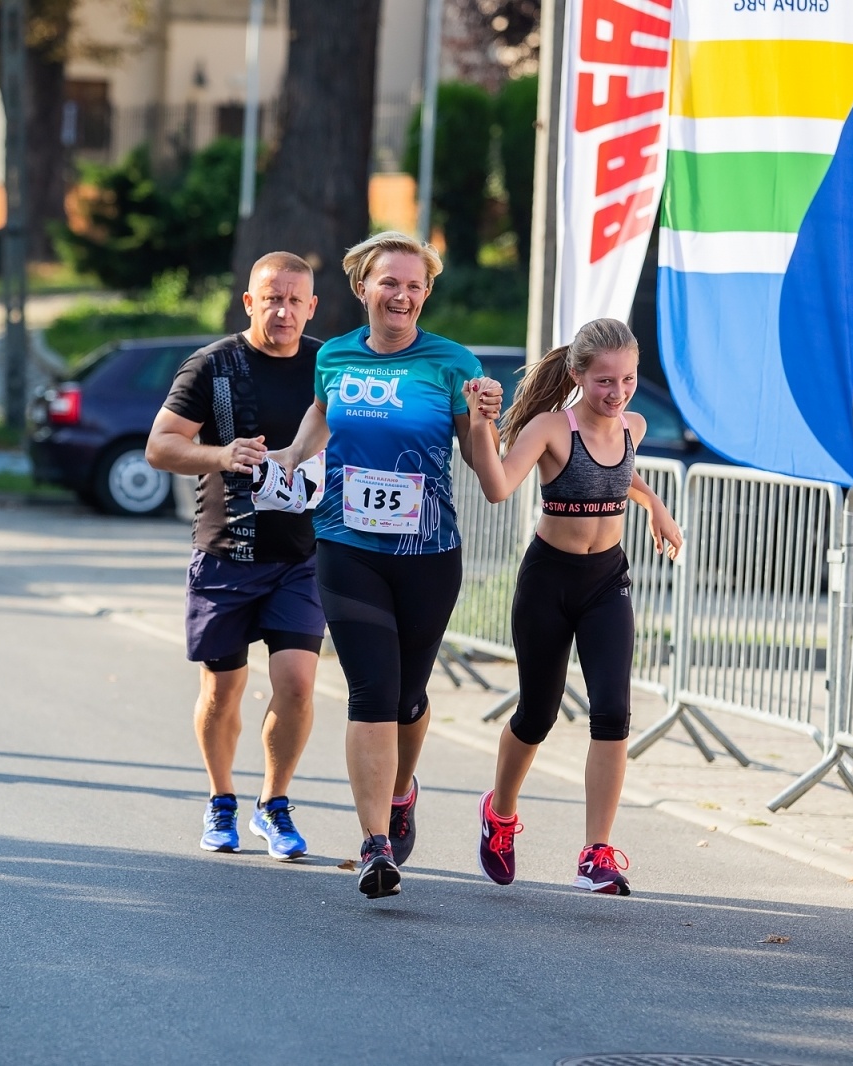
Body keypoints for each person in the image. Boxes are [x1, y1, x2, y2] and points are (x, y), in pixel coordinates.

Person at [274, 231, 503, 899]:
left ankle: (401, 792)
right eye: (389, 282)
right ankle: (376, 843)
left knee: (407, 698)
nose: (401, 295)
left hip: (428, 555)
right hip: (346, 546)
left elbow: (488, 477)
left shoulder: (454, 364)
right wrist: (290, 458)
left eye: (414, 286)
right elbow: (321, 416)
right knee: (371, 691)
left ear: (426, 295)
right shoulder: (337, 356)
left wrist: (488, 420)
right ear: (363, 288)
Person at [464, 318, 683, 895]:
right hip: (549, 581)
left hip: (607, 580)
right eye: (605, 382)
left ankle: (596, 851)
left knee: (613, 714)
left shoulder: (631, 426)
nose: (618, 394)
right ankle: (501, 813)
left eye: (628, 380)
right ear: (578, 375)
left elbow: (622, 477)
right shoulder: (549, 430)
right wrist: (484, 428)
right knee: (537, 714)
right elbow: (498, 487)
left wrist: (656, 506)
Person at [145, 252, 325, 860]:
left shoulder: (329, 366)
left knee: (297, 683)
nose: (284, 310)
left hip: (301, 554)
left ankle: (274, 804)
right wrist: (222, 457)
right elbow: (161, 446)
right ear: (249, 302)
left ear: (312, 306)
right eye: (272, 297)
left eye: (295, 299)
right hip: (227, 552)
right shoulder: (213, 366)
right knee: (222, 690)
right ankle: (221, 797)